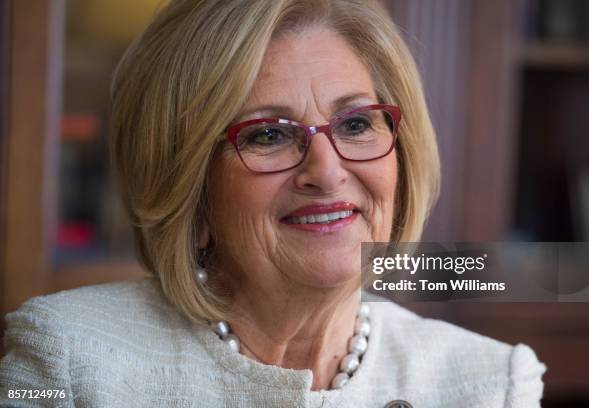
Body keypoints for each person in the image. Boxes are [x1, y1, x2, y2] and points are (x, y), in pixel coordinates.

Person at [0, 0, 546, 406]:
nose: (327, 170)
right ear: (188, 182)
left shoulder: (489, 383)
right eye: (267, 135)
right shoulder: (69, 361)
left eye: (355, 124)